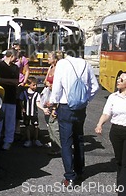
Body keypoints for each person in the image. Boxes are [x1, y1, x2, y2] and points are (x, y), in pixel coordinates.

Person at [49, 54, 100, 187]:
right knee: (79, 139)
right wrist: (86, 99)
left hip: (65, 106)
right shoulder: (85, 64)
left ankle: (70, 177)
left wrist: (54, 103)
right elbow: (95, 87)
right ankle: (80, 171)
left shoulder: (62, 63)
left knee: (66, 142)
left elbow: (57, 87)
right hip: (80, 107)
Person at [0, 48, 19, 151]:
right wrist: (10, 81)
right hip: (0, 97)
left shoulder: (16, 67)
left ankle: (8, 141)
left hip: (11, 97)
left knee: (10, 121)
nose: (17, 59)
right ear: (11, 56)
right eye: (16, 57)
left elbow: (16, 81)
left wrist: (5, 81)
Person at [42, 50, 63, 155]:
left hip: (56, 98)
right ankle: (54, 145)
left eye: (49, 58)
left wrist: (52, 86)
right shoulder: (50, 68)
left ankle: (59, 147)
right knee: (48, 121)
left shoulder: (59, 69)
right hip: (48, 97)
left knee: (53, 122)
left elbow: (60, 84)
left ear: (55, 59)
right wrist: (47, 84)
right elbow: (45, 80)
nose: (47, 60)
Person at [20, 76, 45, 147]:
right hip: (26, 113)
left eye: (36, 85)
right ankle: (28, 140)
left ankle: (36, 139)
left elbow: (38, 103)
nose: (35, 86)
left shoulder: (36, 94)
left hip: (34, 112)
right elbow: (21, 101)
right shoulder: (24, 93)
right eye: (34, 85)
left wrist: (43, 109)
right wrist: (22, 108)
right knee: (27, 126)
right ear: (29, 84)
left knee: (36, 126)